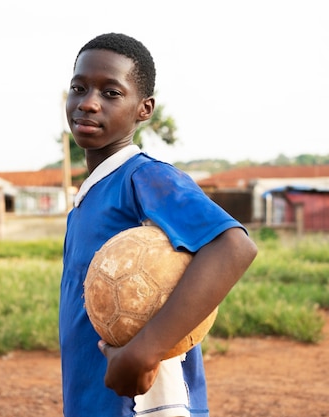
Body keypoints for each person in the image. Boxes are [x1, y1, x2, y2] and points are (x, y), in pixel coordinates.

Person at [59, 32, 258, 417]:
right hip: (94, 397)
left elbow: (233, 246)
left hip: (144, 403)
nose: (88, 103)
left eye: (111, 93)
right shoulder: (91, 192)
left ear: (144, 108)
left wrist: (145, 350)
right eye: (78, 88)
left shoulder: (144, 176)